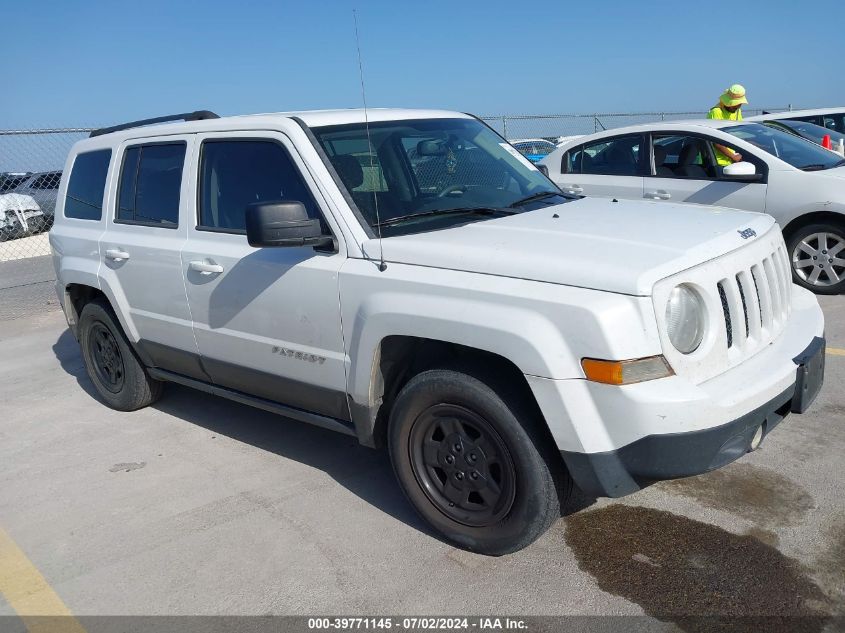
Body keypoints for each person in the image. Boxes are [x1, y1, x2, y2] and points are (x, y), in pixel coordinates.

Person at [708, 84, 748, 166]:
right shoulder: (717, 112)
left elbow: (740, 133)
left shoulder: (737, 111)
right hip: (716, 162)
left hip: (731, 161)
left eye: (739, 104)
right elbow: (716, 142)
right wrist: (733, 157)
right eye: (735, 104)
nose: (737, 106)